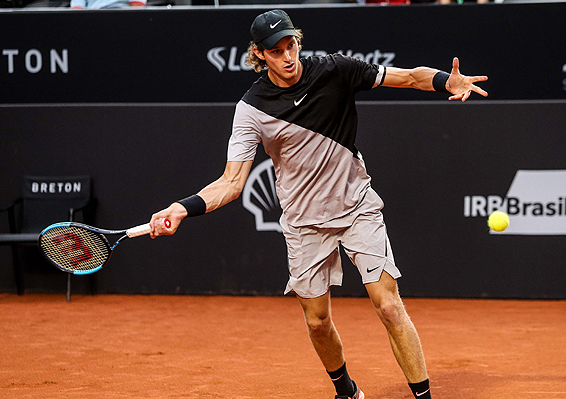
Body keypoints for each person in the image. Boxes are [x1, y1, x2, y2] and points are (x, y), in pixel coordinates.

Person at [149, 9, 487, 399]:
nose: (288, 56)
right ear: (259, 55)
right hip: (304, 222)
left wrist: (447, 81)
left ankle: (423, 395)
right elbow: (231, 182)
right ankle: (346, 390)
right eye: (276, 51)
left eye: (291, 44)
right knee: (317, 323)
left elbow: (408, 76)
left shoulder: (334, 70)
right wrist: (181, 207)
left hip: (357, 205)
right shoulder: (251, 109)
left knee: (389, 305)